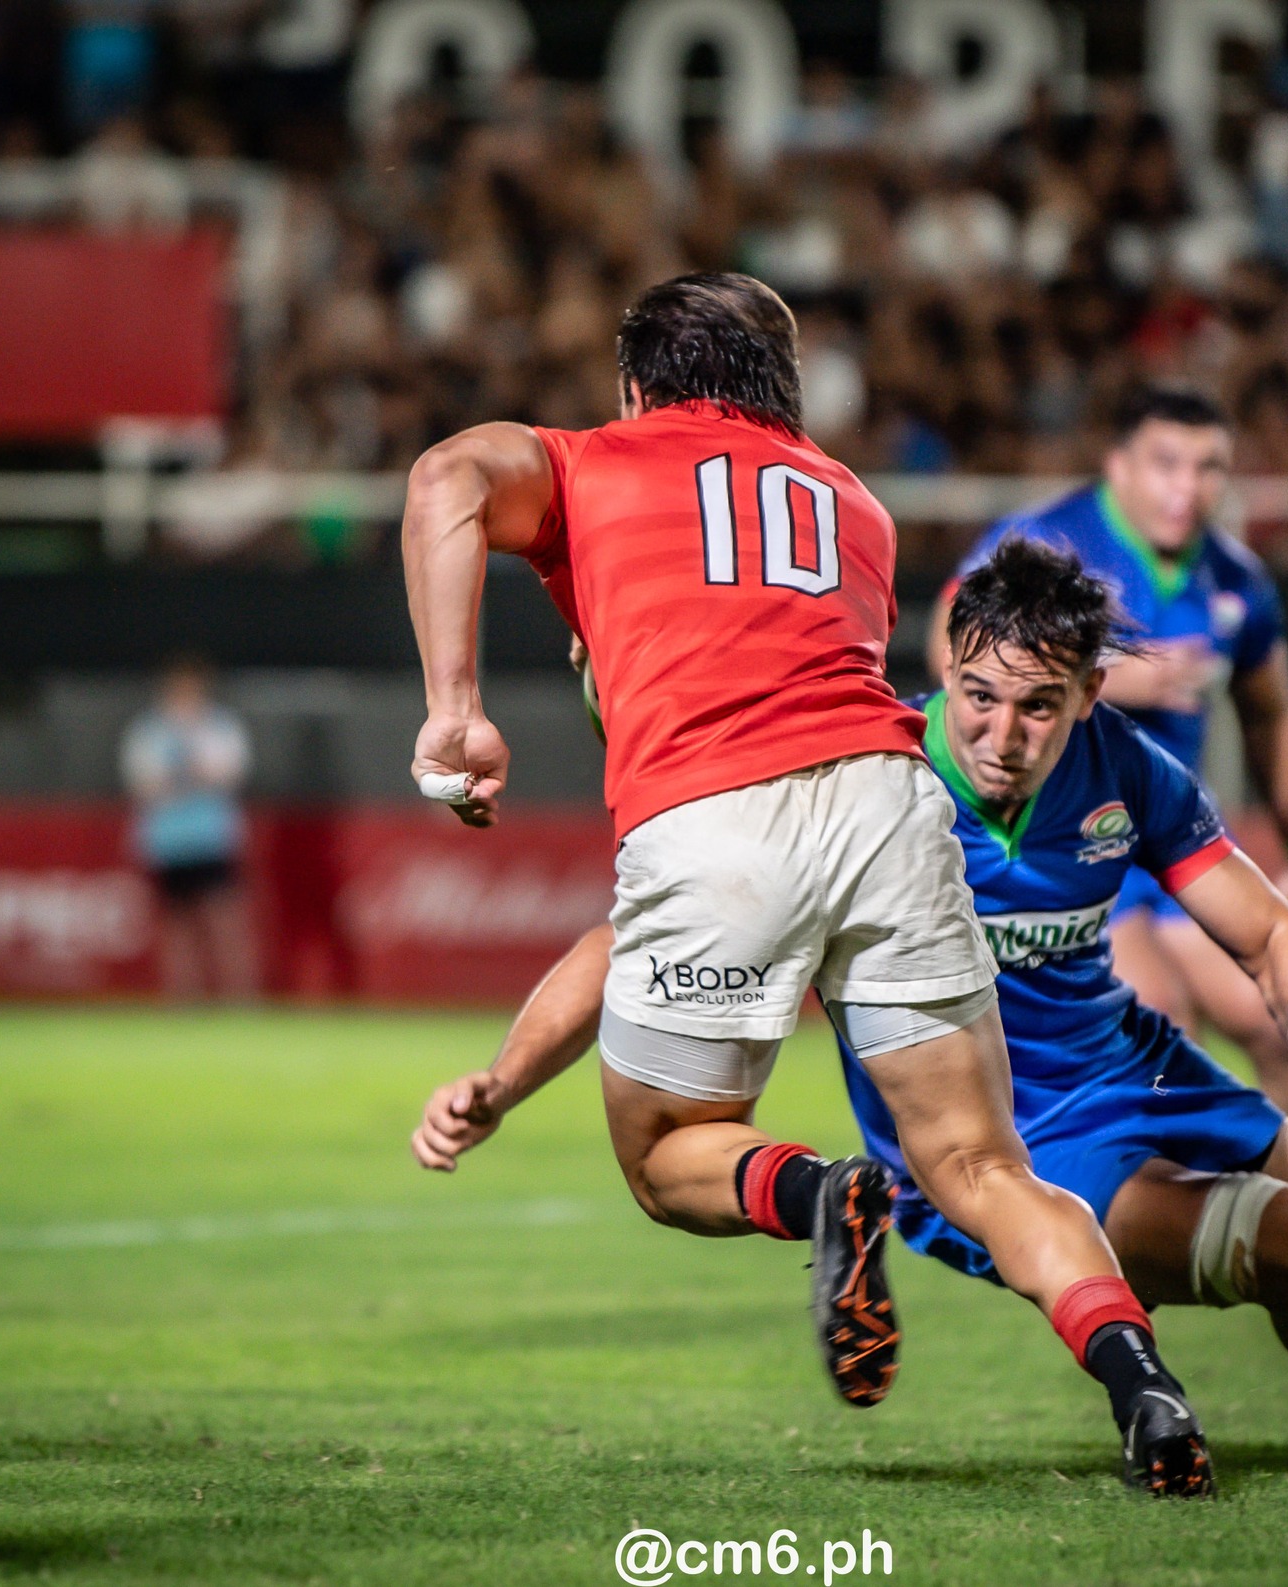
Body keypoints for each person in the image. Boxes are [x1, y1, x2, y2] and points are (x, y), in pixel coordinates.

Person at [419, 540, 1288, 1470]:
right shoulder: (872, 782)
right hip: (1012, 1143)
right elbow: (631, 944)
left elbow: (1264, 928)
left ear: (1088, 694)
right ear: (943, 666)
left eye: (1038, 707)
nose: (1000, 736)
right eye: (978, 696)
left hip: (1143, 1068)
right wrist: (505, 1081)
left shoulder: (1128, 769)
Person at [399, 273, 1242, 1494]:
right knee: (983, 1168)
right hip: (891, 804)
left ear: (637, 387)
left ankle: (816, 1192)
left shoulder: (597, 459)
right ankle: (1142, 1385)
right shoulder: (853, 504)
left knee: (665, 1156)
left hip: (713, 818)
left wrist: (455, 710)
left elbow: (445, 480)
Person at [927, 386, 1288, 1202]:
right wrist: (1127, 677)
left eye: (1209, 468)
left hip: (1172, 836)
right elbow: (954, 651)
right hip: (1071, 836)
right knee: (1160, 1012)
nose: (1187, 487)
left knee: (1282, 1019)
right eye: (1167, 463)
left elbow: (1272, 716)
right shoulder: (1043, 543)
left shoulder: (1237, 578)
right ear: (1121, 468)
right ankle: (1190, 1228)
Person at [119, 655, 256, 1002]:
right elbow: (142, 783)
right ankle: (184, 1000)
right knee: (176, 926)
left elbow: (230, 773)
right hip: (168, 840)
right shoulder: (149, 730)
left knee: (222, 922)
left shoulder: (219, 726)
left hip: (210, 838)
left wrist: (193, 767)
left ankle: (240, 1000)